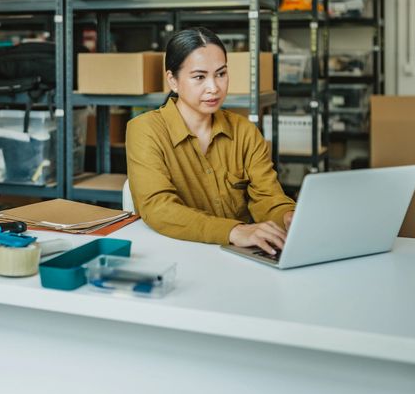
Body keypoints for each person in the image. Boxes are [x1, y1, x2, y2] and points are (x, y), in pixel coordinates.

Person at [126, 27, 295, 256]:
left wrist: (288, 216)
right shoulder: (145, 131)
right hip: (179, 253)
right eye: (199, 77)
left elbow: (268, 196)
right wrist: (235, 231)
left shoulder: (244, 131)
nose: (214, 87)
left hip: (239, 256)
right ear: (173, 81)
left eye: (221, 73)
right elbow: (159, 208)